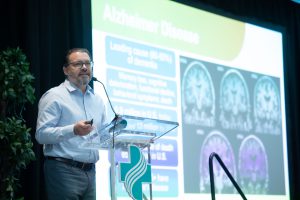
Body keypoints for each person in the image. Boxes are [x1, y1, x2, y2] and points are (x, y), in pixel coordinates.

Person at [36, 48, 107, 200]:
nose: (84, 67)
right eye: (78, 64)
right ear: (66, 70)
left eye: (88, 63)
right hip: (64, 170)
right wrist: (73, 130)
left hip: (90, 172)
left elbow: (104, 135)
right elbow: (41, 135)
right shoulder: (54, 96)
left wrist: (131, 140)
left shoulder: (98, 101)